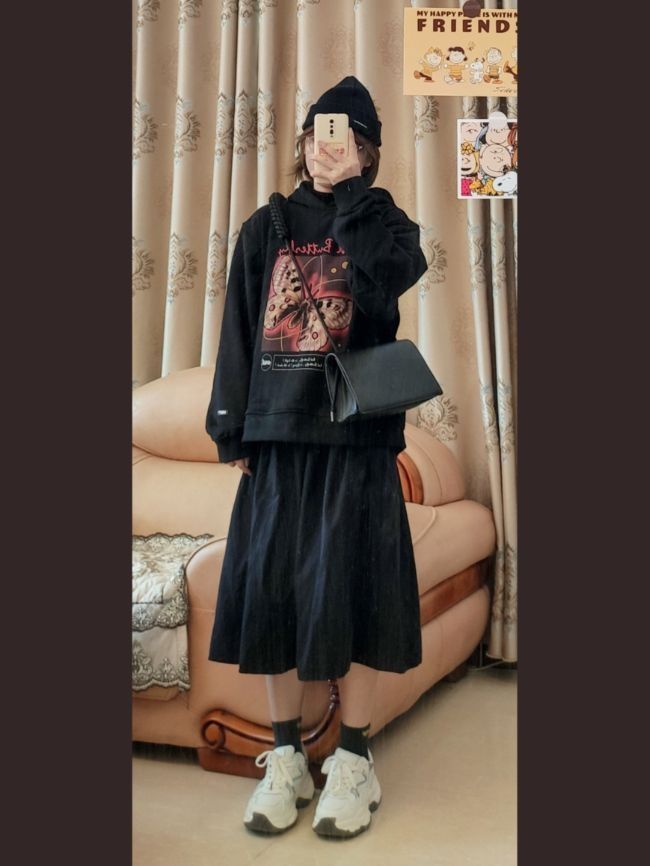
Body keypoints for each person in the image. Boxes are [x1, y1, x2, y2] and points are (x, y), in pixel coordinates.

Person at [205, 76, 429, 839]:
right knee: (271, 595)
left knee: (359, 593)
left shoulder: (385, 222)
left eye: (346, 137)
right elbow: (238, 328)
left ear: (367, 151)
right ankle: (287, 758)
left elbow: (389, 285)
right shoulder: (265, 226)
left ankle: (354, 761)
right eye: (317, 135)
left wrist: (353, 197)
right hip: (278, 438)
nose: (327, 147)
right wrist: (231, 430)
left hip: (359, 438)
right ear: (301, 145)